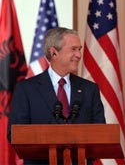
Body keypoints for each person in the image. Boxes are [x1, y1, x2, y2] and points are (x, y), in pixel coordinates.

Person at [7, 27, 105, 165]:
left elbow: (101, 133)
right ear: (53, 53)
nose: (79, 55)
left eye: (79, 49)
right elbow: (14, 135)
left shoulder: (90, 89)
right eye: (73, 49)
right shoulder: (26, 90)